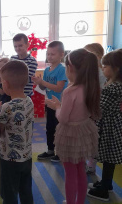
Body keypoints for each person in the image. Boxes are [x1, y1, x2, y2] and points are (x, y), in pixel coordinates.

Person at [46, 48, 100, 204]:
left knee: (70, 173)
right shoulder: (91, 86)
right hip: (84, 131)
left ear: (70, 68)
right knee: (81, 171)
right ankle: (79, 202)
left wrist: (57, 106)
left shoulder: (70, 91)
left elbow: (63, 118)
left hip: (70, 134)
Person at [0, 60, 34, 204]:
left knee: (8, 193)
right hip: (26, 156)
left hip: (10, 159)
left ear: (5, 84)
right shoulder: (29, 101)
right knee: (25, 189)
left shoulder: (7, 107)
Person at [87, 49, 122, 202]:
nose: (103, 68)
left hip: (109, 128)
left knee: (108, 157)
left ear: (116, 68)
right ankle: (106, 184)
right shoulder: (115, 84)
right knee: (110, 159)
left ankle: (104, 190)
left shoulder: (112, 88)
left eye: (105, 66)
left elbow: (100, 109)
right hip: (114, 124)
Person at [32, 41, 68, 162]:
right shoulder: (47, 70)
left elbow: (58, 88)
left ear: (61, 54)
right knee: (50, 128)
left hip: (60, 105)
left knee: (60, 129)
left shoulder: (62, 69)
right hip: (50, 104)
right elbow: (45, 88)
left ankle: (61, 152)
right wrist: (39, 83)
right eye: (48, 54)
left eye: (53, 54)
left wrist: (43, 83)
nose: (49, 56)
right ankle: (50, 150)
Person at [84, 43, 106, 175]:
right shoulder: (92, 72)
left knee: (93, 137)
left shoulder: (100, 74)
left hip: (95, 109)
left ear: (97, 57)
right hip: (90, 108)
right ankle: (89, 162)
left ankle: (91, 164)